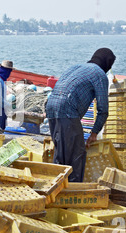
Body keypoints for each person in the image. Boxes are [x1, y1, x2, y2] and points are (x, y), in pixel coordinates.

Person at [45, 48, 116, 183]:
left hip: (51, 106)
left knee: (61, 153)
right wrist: (94, 133)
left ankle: (57, 191)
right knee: (76, 155)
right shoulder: (99, 74)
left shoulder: (77, 67)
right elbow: (103, 109)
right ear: (107, 63)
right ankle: (72, 193)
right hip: (67, 110)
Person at [0, 60, 14, 130]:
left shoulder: (1, 81)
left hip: (1, 110)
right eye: (8, 71)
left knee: (0, 130)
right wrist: (10, 106)